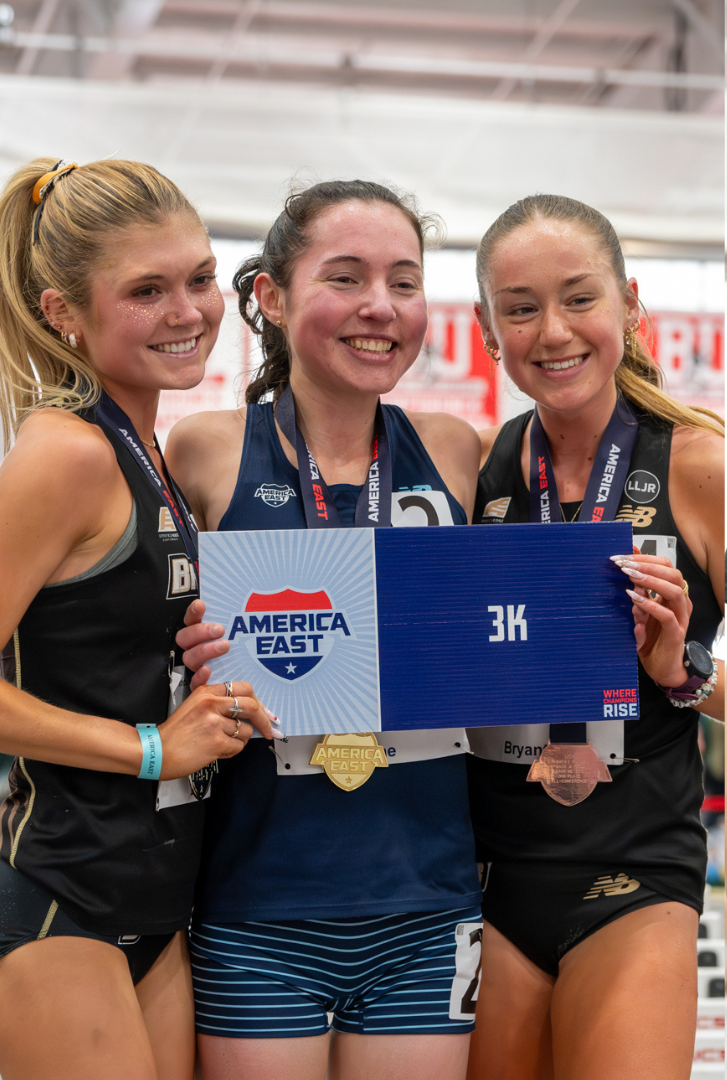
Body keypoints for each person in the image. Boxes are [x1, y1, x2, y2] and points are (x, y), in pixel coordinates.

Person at [165, 180, 481, 1080]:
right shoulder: (206, 450)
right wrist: (184, 655)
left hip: (428, 904)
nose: (381, 307)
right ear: (271, 296)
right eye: (346, 278)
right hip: (257, 904)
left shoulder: (456, 449)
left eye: (405, 282)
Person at [0, 157, 275, 1080]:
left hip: (158, 897)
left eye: (199, 279)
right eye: (146, 291)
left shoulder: (146, 448)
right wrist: (154, 746)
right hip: (57, 893)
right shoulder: (67, 453)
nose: (188, 311)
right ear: (61, 311)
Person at [462, 193, 724, 1080]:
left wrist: (677, 669)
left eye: (579, 298)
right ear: (489, 330)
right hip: (488, 873)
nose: (553, 331)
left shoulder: (696, 463)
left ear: (630, 305)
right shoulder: (477, 470)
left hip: (635, 871)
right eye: (521, 308)